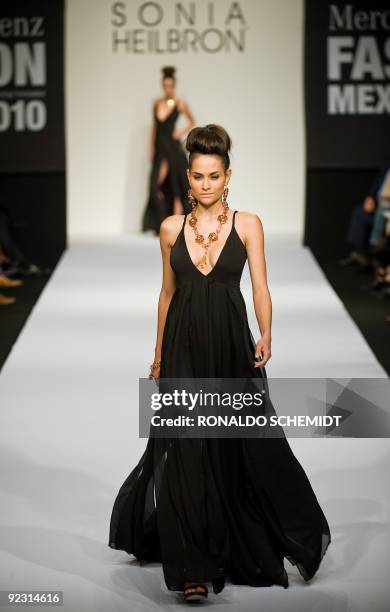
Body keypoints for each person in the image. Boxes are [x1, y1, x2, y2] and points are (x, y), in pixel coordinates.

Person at [109, 124, 331, 603]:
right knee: (186, 449)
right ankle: (192, 568)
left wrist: (267, 331)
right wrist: (158, 355)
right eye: (197, 176)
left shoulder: (248, 224)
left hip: (232, 345)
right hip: (183, 346)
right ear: (187, 178)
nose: (206, 184)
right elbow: (167, 295)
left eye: (214, 175)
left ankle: (237, 537)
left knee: (242, 445)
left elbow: (261, 287)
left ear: (227, 176)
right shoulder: (170, 229)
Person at [142, 66, 195, 235]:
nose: (168, 88)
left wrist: (179, 133)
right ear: (162, 85)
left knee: (177, 186)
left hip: (173, 149)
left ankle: (180, 224)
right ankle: (161, 223)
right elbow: (155, 129)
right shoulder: (157, 103)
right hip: (160, 150)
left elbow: (191, 121)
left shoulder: (180, 103)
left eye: (170, 85)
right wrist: (151, 147)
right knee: (156, 185)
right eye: (165, 85)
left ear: (175, 85)